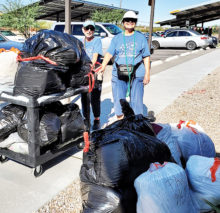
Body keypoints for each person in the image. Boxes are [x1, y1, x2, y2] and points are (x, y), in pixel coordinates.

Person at [99, 11, 151, 120]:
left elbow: (146, 56)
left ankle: (137, 126)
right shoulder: (116, 38)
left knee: (136, 102)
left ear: (135, 23)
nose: (130, 22)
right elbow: (109, 53)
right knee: (119, 100)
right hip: (119, 73)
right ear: (123, 22)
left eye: (133, 20)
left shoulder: (141, 37)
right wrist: (103, 66)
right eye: (127, 20)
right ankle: (121, 125)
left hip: (137, 74)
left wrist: (147, 74)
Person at [80, 20, 103, 130]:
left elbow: (94, 58)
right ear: (83, 29)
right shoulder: (80, 41)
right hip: (84, 74)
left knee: (95, 98)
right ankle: (86, 120)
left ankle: (97, 119)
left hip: (94, 73)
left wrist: (89, 67)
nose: (89, 31)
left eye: (91, 28)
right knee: (84, 98)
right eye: (87, 28)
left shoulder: (97, 40)